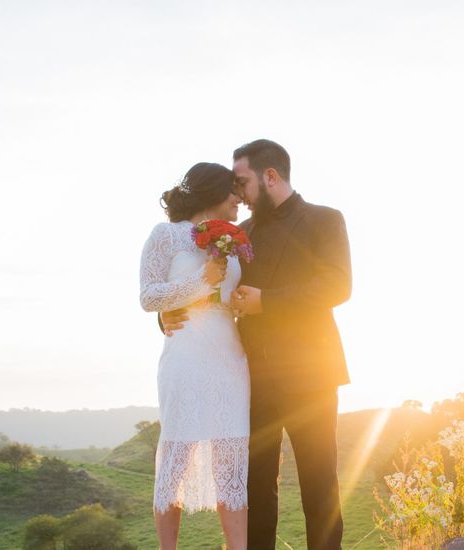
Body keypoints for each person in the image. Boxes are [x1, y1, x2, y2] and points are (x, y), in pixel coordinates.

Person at [163, 139, 352, 549]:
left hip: (310, 375)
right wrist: (168, 314)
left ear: (270, 176)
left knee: (319, 487)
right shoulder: (237, 233)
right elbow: (201, 284)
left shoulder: (325, 219)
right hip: (249, 377)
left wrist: (267, 301)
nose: (239, 195)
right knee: (254, 489)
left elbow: (337, 285)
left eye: (243, 182)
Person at [139, 162, 249, 550]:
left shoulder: (236, 239)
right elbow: (149, 296)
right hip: (185, 355)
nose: (239, 199)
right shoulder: (165, 236)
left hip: (230, 357)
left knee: (231, 463)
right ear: (214, 193)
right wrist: (200, 282)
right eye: (234, 191)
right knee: (177, 454)